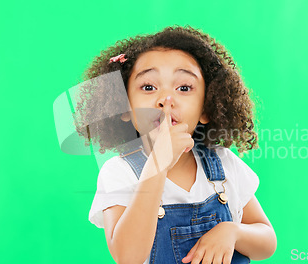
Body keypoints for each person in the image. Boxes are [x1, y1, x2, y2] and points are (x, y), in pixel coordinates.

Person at [77, 26, 276, 264]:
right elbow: (127, 257)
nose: (166, 99)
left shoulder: (223, 164)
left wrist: (233, 232)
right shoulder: (119, 173)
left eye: (184, 88)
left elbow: (267, 242)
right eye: (149, 87)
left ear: (205, 109)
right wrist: (157, 165)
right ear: (124, 108)